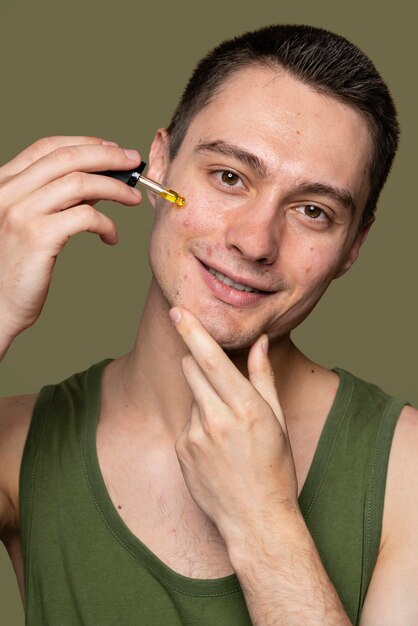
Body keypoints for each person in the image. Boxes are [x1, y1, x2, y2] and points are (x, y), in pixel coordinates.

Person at [0, 23, 416, 625]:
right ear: (161, 164)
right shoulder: (19, 445)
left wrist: (264, 522)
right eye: (229, 177)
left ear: (353, 246)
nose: (254, 241)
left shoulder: (409, 471)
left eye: (312, 211)